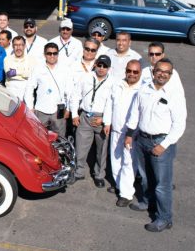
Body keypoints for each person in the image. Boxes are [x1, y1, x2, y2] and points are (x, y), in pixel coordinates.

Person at [124, 58, 187, 232]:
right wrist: (130, 135)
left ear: (171, 75)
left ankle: (164, 218)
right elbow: (135, 112)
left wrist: (164, 145)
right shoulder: (144, 89)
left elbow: (179, 125)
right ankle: (147, 202)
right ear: (153, 71)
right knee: (145, 177)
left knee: (162, 184)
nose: (162, 74)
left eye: (167, 72)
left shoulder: (174, 95)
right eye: (159, 71)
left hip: (161, 142)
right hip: (142, 139)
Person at [70, 55, 115, 187]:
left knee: (102, 150)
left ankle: (99, 175)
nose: (101, 69)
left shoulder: (113, 82)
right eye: (99, 65)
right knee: (81, 146)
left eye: (104, 66)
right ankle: (79, 172)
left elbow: (111, 103)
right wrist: (74, 114)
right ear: (95, 64)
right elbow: (75, 95)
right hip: (85, 116)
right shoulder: (86, 77)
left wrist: (106, 121)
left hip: (101, 118)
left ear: (109, 68)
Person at [103, 59, 142, 207]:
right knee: (115, 159)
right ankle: (119, 185)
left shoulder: (141, 89)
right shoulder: (117, 84)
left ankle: (126, 194)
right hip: (116, 129)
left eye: (135, 72)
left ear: (140, 73)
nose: (131, 74)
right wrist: (107, 122)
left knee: (128, 163)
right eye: (129, 71)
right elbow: (109, 104)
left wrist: (131, 134)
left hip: (131, 134)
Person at [24, 43, 73, 138]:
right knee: (38, 138)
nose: (52, 56)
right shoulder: (38, 68)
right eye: (49, 53)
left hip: (59, 111)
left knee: (60, 139)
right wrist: (30, 107)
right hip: (41, 110)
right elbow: (29, 87)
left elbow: (70, 90)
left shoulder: (65, 69)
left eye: (55, 53)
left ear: (58, 54)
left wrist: (68, 108)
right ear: (44, 54)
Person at [4, 36, 35, 101]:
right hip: (11, 91)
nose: (18, 48)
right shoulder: (7, 59)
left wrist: (15, 71)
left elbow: (31, 75)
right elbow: (9, 74)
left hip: (27, 90)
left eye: (21, 45)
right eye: (16, 45)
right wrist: (24, 71)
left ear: (24, 46)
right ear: (12, 46)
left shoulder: (31, 60)